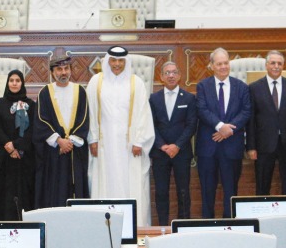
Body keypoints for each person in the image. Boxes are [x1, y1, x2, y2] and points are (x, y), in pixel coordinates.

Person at [88, 46, 155, 225]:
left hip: (130, 146)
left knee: (131, 184)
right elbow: (91, 111)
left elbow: (143, 114)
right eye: (113, 60)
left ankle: (134, 225)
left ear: (126, 62)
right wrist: (92, 139)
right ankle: (103, 226)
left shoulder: (136, 83)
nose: (117, 64)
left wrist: (139, 141)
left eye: (121, 61)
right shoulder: (96, 81)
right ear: (107, 61)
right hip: (104, 146)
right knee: (105, 182)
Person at [195, 48, 252, 218]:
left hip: (232, 147)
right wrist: (220, 126)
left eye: (226, 63)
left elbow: (246, 111)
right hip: (208, 148)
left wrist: (228, 129)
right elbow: (202, 110)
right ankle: (207, 227)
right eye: (219, 64)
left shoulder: (241, 87)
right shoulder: (203, 86)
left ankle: (230, 227)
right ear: (211, 66)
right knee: (207, 191)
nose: (223, 67)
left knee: (231, 191)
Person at [247, 50, 286, 196]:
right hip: (264, 145)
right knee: (262, 184)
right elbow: (251, 120)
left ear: (283, 66)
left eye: (279, 63)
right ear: (266, 65)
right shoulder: (254, 88)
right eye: (273, 63)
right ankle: (262, 216)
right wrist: (251, 147)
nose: (276, 66)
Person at [34, 57, 90, 208]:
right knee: (54, 190)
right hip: (54, 152)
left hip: (75, 151)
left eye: (66, 69)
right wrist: (59, 141)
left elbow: (84, 119)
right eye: (59, 69)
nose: (63, 72)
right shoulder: (44, 93)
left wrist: (70, 142)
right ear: (52, 73)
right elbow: (41, 120)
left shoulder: (80, 91)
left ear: (71, 71)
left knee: (75, 189)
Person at [149, 61, 198, 225]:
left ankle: (184, 225)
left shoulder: (189, 98)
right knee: (161, 192)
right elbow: (150, 125)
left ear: (179, 76)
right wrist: (162, 145)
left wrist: (177, 145)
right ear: (161, 77)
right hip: (160, 153)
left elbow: (191, 125)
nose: (171, 75)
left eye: (174, 72)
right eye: (167, 73)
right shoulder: (153, 98)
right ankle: (162, 226)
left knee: (183, 191)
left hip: (181, 153)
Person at [0, 69, 36, 220]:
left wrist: (16, 145)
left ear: (22, 83)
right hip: (3, 158)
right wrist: (9, 147)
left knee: (23, 191)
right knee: (3, 193)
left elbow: (32, 130)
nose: (14, 83)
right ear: (7, 83)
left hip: (23, 157)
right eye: (11, 80)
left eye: (18, 80)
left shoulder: (31, 105)